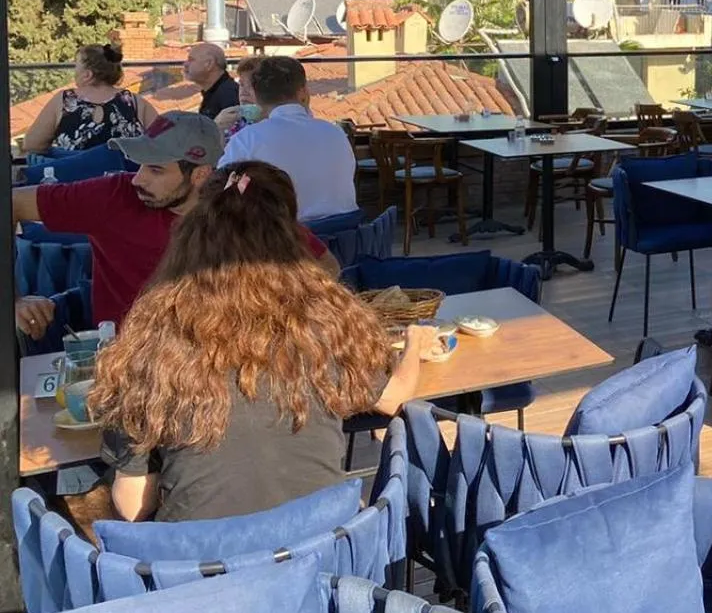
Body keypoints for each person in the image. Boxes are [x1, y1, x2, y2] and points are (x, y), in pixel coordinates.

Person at [89, 162, 440, 522]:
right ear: (291, 233)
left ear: (193, 232)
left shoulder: (153, 336)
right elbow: (393, 398)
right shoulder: (326, 320)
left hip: (205, 566)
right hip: (323, 548)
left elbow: (133, 505)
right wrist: (414, 343)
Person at [9, 113, 332, 337]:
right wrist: (13, 298)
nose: (138, 179)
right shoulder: (113, 195)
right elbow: (11, 203)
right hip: (135, 361)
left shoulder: (239, 206)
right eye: (139, 166)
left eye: (155, 170)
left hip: (223, 359)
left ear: (200, 174)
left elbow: (326, 268)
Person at [217, 56, 358, 221]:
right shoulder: (334, 132)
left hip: (284, 241)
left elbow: (220, 191)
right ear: (303, 91)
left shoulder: (248, 139)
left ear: (255, 94)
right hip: (347, 239)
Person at [21, 42, 157, 154]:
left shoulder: (64, 101)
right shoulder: (135, 103)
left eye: (76, 66)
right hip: (124, 184)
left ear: (87, 75)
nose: (74, 73)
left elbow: (32, 144)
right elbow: (164, 142)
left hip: (74, 183)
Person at [184, 42, 239, 120]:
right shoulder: (215, 91)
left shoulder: (229, 94)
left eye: (191, 60)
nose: (185, 64)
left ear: (209, 64)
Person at [212, 56, 263, 140]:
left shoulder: (279, 126)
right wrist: (217, 128)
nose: (244, 92)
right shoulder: (232, 123)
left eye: (253, 86)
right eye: (242, 84)